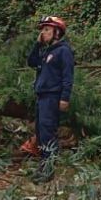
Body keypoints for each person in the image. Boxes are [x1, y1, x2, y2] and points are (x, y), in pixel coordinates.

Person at [26, 15, 74, 182]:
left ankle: (49, 170)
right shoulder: (47, 51)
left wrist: (64, 98)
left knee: (48, 133)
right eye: (43, 30)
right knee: (40, 133)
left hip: (52, 98)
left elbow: (68, 77)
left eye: (47, 29)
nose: (43, 32)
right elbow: (31, 62)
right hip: (41, 97)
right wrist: (38, 43)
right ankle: (43, 166)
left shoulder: (64, 51)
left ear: (57, 32)